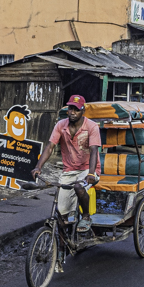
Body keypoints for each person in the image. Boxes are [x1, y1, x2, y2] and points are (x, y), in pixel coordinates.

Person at [32, 95, 101, 235]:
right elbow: (50, 147)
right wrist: (38, 167)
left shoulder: (92, 127)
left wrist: (91, 173)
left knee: (79, 187)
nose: (72, 112)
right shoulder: (60, 125)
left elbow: (94, 150)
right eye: (71, 108)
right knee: (61, 213)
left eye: (76, 109)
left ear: (83, 111)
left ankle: (86, 216)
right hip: (69, 170)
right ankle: (63, 245)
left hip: (88, 169)